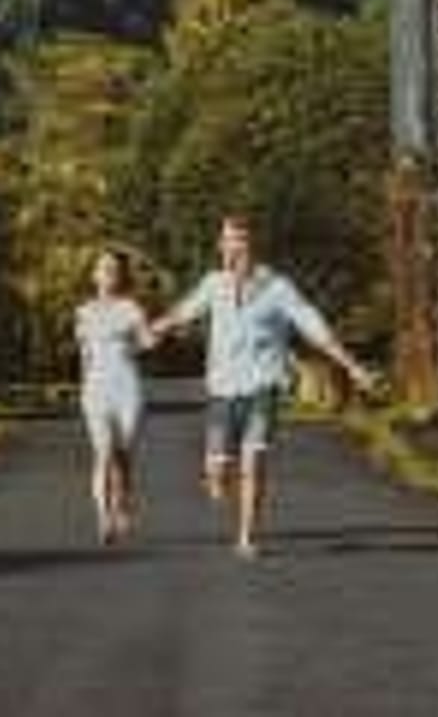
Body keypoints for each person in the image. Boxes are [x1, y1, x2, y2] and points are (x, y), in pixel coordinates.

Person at [150, 214, 380, 558]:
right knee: (218, 474)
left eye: (239, 241)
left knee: (253, 462)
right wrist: (150, 330)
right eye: (227, 240)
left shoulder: (277, 287)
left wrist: (352, 366)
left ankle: (246, 538)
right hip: (222, 389)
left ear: (251, 246)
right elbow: (182, 313)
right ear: (221, 245)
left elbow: (313, 326)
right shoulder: (213, 283)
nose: (231, 247)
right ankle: (214, 475)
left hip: (263, 385)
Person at [73, 248, 152, 544]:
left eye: (113, 270)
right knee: (103, 453)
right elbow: (84, 356)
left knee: (122, 453)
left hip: (127, 388)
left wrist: (148, 337)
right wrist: (83, 389)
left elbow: (146, 341)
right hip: (96, 390)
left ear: (121, 276)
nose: (108, 274)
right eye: (103, 269)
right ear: (94, 275)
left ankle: (122, 502)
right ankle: (104, 518)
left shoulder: (132, 308)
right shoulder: (83, 312)